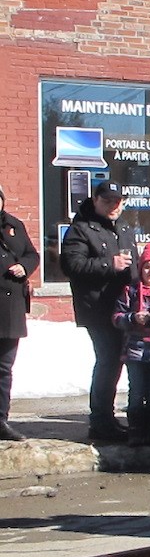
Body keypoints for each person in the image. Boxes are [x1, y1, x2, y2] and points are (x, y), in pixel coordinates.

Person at [61, 180, 138, 442]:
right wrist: (109, 264)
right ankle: (101, 421)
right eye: (108, 202)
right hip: (98, 307)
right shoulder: (80, 229)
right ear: (95, 199)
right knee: (108, 360)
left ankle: (110, 417)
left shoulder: (125, 227)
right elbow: (71, 265)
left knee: (120, 362)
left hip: (124, 307)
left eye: (118, 202)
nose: (114, 207)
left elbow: (134, 265)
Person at [112, 244, 150, 447]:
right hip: (135, 351)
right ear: (140, 268)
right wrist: (132, 318)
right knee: (136, 392)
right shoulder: (130, 291)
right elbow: (116, 317)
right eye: (147, 267)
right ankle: (136, 432)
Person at [0, 182, 38, 442]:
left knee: (4, 368)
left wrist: (24, 266)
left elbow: (33, 255)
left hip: (10, 309)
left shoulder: (14, 225)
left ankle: (1, 420)